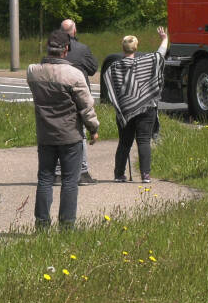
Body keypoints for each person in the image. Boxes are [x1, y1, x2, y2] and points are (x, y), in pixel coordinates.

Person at [27, 29, 99, 229]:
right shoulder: (74, 75)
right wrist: (93, 128)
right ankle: (67, 225)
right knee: (69, 181)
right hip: (70, 136)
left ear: (48, 48)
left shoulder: (32, 71)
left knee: (45, 179)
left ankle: (42, 223)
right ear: (66, 49)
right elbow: (86, 106)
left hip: (45, 135)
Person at [103, 26, 168, 183]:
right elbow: (160, 54)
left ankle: (119, 174)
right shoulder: (147, 61)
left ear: (122, 47)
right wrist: (164, 39)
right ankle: (145, 175)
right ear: (136, 47)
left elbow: (110, 86)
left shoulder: (114, 68)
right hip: (147, 107)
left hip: (125, 110)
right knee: (144, 140)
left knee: (124, 142)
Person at [56, 19, 98, 186]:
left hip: (57, 94)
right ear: (74, 31)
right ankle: (82, 172)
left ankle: (58, 173)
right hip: (78, 94)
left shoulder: (52, 48)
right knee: (80, 133)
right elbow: (93, 68)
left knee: (58, 131)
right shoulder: (82, 49)